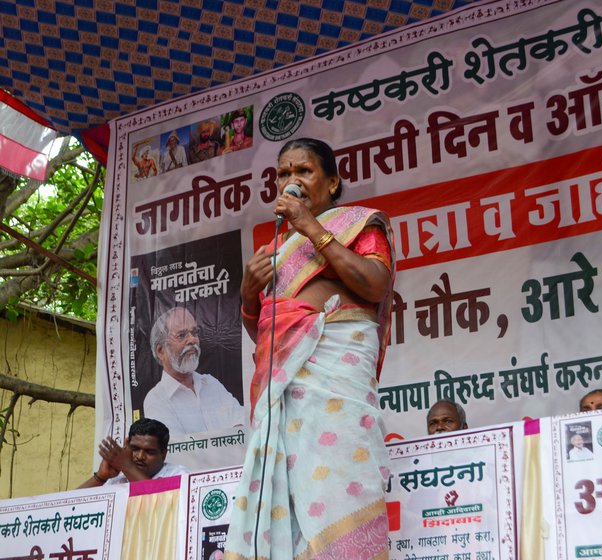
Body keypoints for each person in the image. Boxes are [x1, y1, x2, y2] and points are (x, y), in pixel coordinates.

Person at [224, 138, 396, 559]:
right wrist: (249, 295)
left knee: (340, 487)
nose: (291, 181)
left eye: (304, 171)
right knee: (292, 504)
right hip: (286, 398)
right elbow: (269, 335)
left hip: (338, 383)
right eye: (283, 174)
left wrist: (312, 228)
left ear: (333, 183)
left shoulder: (360, 224)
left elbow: (376, 284)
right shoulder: (277, 250)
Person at [143, 307, 244, 436]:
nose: (192, 340)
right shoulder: (157, 400)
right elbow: (180, 451)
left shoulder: (211, 384)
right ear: (161, 351)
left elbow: (242, 425)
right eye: (182, 335)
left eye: (194, 332)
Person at [79, 418, 188, 487]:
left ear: (163, 454)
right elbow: (69, 506)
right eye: (135, 449)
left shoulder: (179, 475)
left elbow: (160, 500)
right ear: (127, 445)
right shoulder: (116, 478)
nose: (140, 456)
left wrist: (127, 466)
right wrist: (101, 477)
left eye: (149, 452)